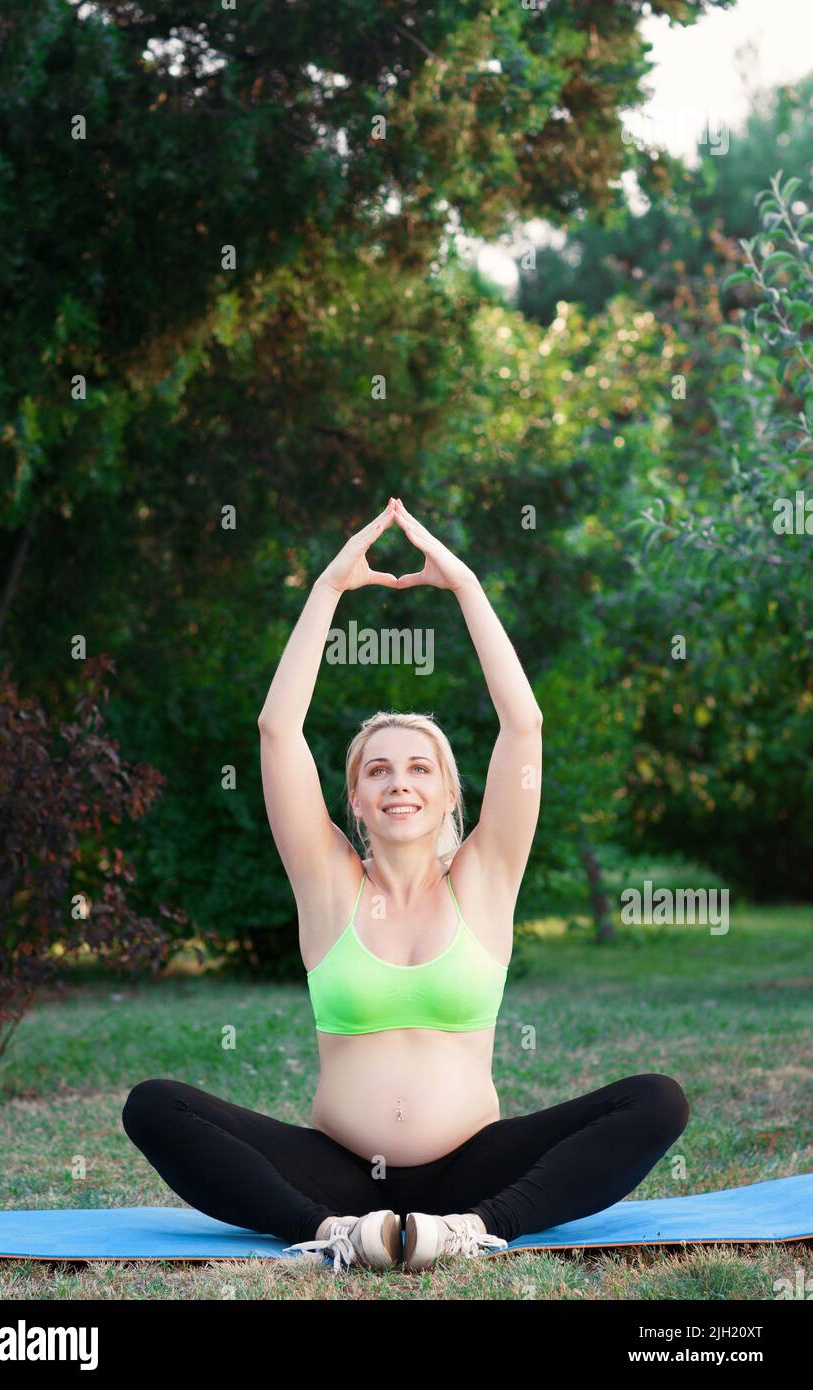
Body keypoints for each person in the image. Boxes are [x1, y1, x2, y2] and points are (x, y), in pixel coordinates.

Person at [122, 497, 689, 1274]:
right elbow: (277, 730)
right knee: (153, 1105)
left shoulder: (486, 881)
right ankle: (328, 1233)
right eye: (378, 769)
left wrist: (465, 588)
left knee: (657, 1099)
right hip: (337, 1173)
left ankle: (474, 1230)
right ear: (353, 799)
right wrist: (326, 589)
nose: (400, 782)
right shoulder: (328, 886)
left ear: (451, 794)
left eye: (421, 767)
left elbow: (524, 727)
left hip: (474, 1169)